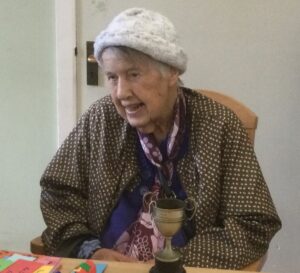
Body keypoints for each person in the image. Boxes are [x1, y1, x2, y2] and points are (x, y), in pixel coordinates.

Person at [40, 7, 281, 269]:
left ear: (172, 72)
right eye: (112, 77)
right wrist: (89, 249)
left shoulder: (219, 125)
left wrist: (169, 263)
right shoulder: (101, 119)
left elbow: (252, 223)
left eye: (134, 74)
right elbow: (59, 192)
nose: (121, 93)